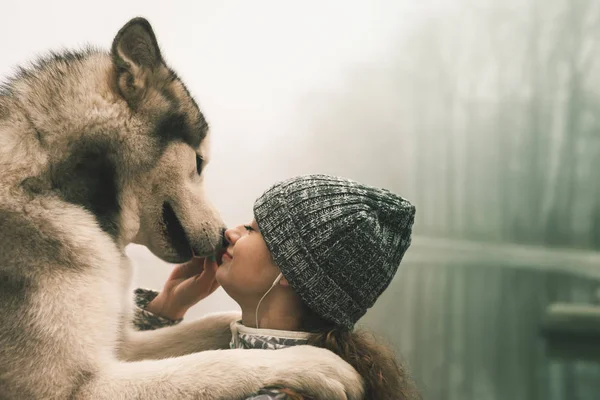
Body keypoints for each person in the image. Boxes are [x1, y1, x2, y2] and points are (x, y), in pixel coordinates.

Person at [133, 174, 420, 400]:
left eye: (252, 230)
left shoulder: (280, 392)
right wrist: (167, 308)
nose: (231, 232)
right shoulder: (241, 354)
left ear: (292, 269)